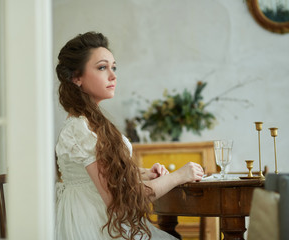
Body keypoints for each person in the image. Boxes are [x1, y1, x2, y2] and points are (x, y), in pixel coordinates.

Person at [55, 31, 204, 240]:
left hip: (100, 220)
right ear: (76, 77)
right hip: (94, 227)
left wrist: (141, 173)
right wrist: (180, 175)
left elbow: (99, 174)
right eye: (102, 67)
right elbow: (120, 200)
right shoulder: (80, 129)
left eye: (113, 67)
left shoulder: (91, 122)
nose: (113, 75)